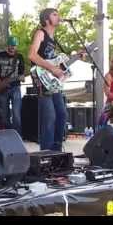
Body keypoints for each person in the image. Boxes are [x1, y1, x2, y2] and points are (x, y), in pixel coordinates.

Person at [28, 8, 68, 151]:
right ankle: (46, 154)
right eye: (55, 14)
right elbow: (32, 56)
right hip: (41, 78)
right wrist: (52, 69)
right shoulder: (40, 33)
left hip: (51, 81)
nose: (59, 17)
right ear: (46, 20)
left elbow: (54, 61)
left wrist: (74, 58)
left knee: (62, 114)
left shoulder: (54, 40)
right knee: (49, 116)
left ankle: (57, 152)